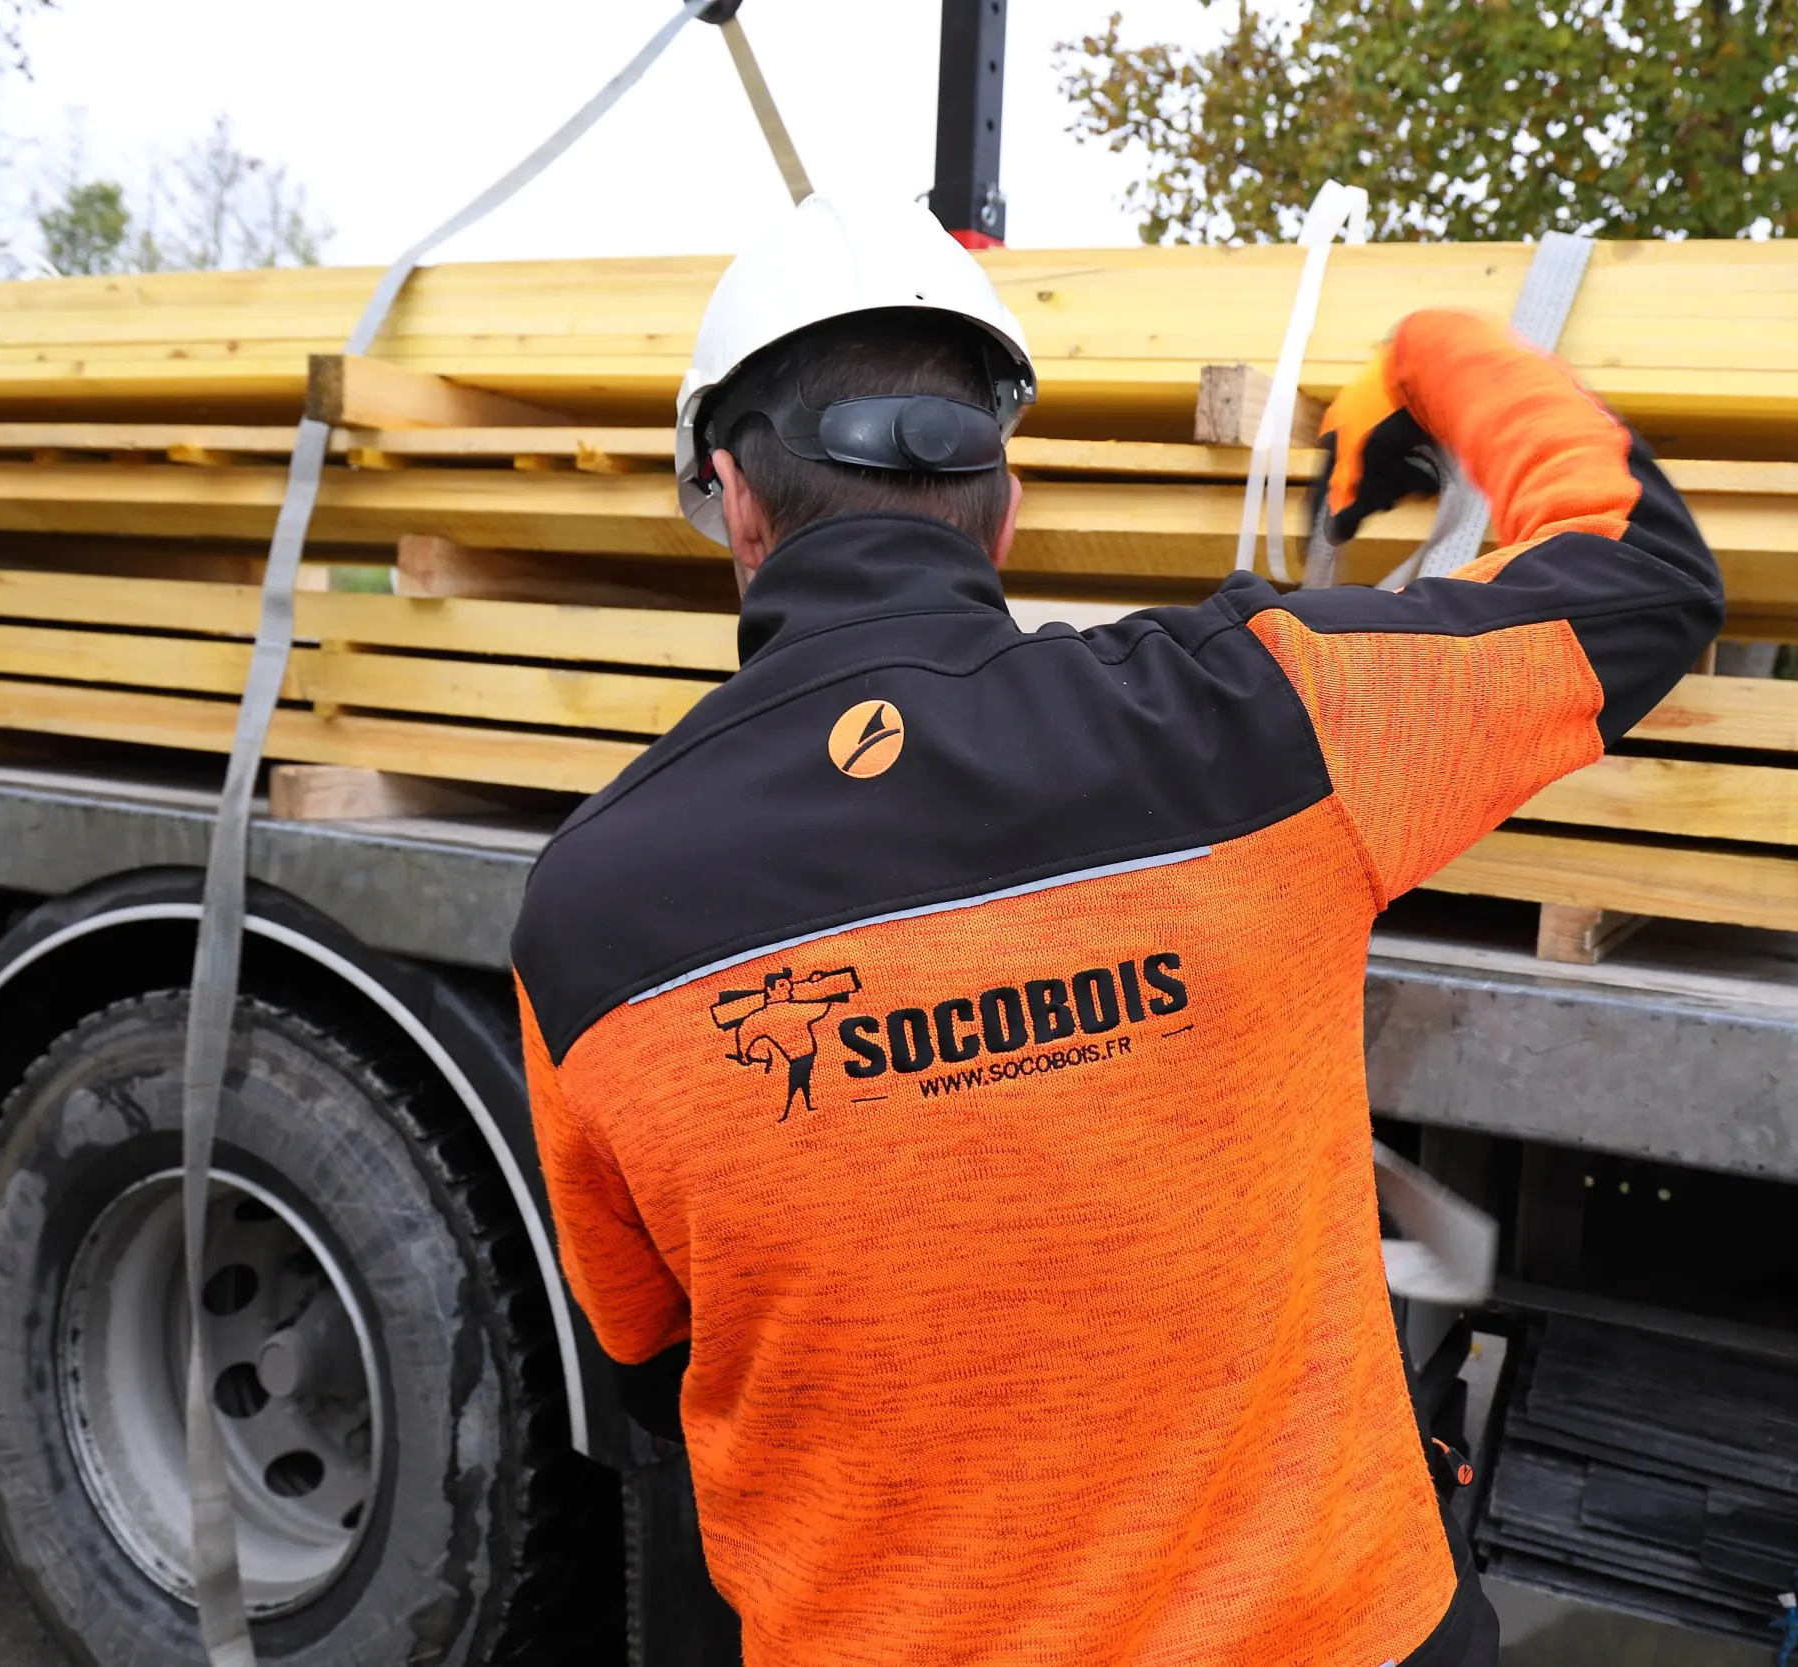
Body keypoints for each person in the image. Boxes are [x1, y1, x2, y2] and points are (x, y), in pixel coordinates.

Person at [512, 193, 1722, 1667]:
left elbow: (657, 1363)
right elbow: (1641, 572)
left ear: (735, 499)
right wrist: (1437, 352)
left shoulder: (590, 914)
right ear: (1003, 506)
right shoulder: (1267, 718)